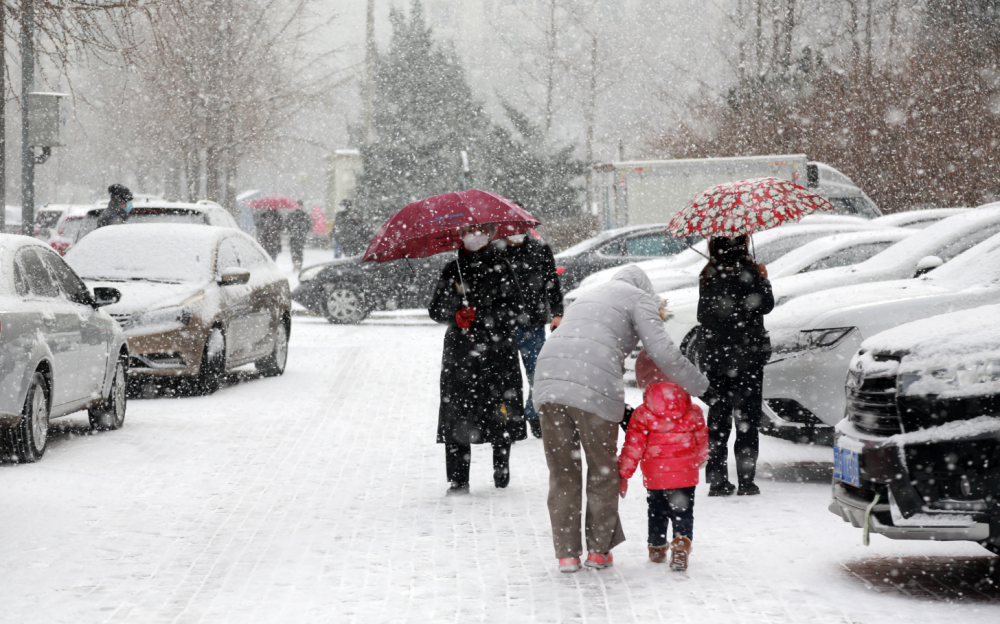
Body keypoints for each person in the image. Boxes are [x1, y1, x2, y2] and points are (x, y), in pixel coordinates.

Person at [532, 265, 709, 573]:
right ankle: (598, 552)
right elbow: (664, 353)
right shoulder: (639, 298)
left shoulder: (587, 297)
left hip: (548, 381)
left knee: (562, 472)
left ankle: (567, 556)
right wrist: (703, 388)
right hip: (594, 385)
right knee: (602, 470)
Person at [428, 223, 527, 495]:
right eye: (468, 231)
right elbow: (435, 309)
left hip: (498, 352)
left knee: (499, 408)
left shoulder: (501, 266)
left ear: (489, 233)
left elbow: (518, 309)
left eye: (479, 230)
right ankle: (458, 478)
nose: (474, 235)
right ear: (459, 236)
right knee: (458, 411)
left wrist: (484, 316)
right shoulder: (452, 269)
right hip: (461, 354)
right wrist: (455, 315)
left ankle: (501, 465)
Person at [697, 235, 774, 497]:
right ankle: (747, 481)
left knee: (718, 419)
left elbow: (702, 316)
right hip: (747, 358)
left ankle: (718, 482)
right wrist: (763, 279)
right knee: (747, 421)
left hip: (717, 359)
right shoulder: (750, 272)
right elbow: (766, 305)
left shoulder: (708, 273)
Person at [618, 349, 708, 571]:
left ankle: (657, 547)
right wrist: (699, 459)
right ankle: (680, 545)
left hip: (656, 475)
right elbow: (702, 438)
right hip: (685, 475)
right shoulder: (693, 410)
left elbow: (634, 446)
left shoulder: (642, 413)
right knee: (683, 512)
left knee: (656, 510)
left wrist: (624, 471)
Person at [499, 229, 563, 439]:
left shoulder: (539, 249)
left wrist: (557, 312)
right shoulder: (495, 251)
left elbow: (551, 280)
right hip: (502, 325)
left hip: (532, 322)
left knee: (537, 373)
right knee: (505, 376)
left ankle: (534, 415)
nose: (514, 234)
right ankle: (510, 420)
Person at [286, 201, 312, 272]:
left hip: (294, 236)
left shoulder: (292, 215)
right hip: (300, 236)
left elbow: (287, 224)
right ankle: (298, 263)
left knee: (294, 251)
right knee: (299, 251)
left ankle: (296, 262)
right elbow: (308, 225)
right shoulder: (304, 215)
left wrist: (291, 231)